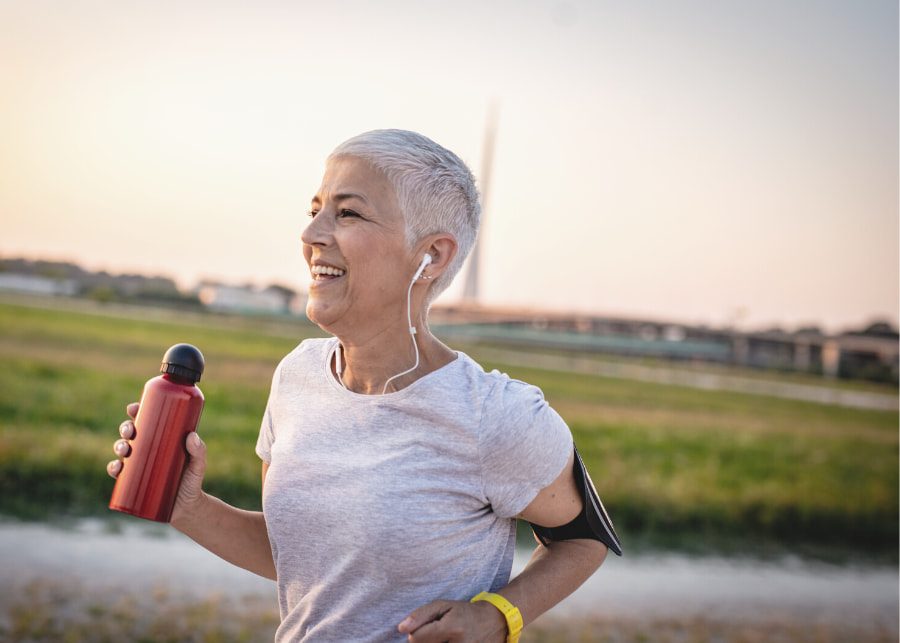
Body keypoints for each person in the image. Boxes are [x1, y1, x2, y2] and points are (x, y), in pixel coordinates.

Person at [108, 129, 621, 642]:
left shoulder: (497, 415)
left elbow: (583, 539)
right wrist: (188, 506)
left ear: (433, 257)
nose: (311, 234)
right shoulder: (297, 376)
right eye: (315, 209)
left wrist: (498, 614)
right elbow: (303, 558)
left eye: (347, 213)